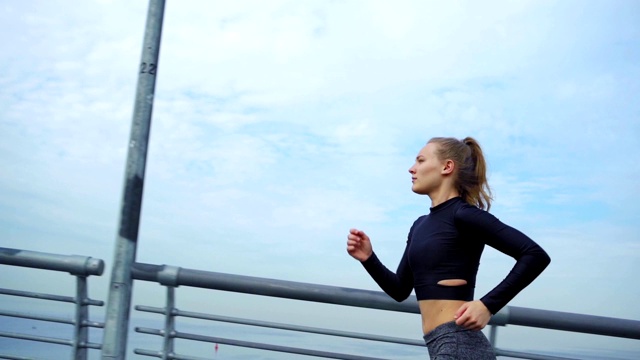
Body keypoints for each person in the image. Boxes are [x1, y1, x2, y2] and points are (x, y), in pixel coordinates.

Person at [346, 137, 550, 359]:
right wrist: (368, 258)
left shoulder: (464, 215)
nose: (411, 169)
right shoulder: (419, 225)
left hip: (459, 342)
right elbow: (400, 289)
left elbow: (535, 255)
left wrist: (487, 305)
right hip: (439, 344)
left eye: (421, 161)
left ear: (447, 167)